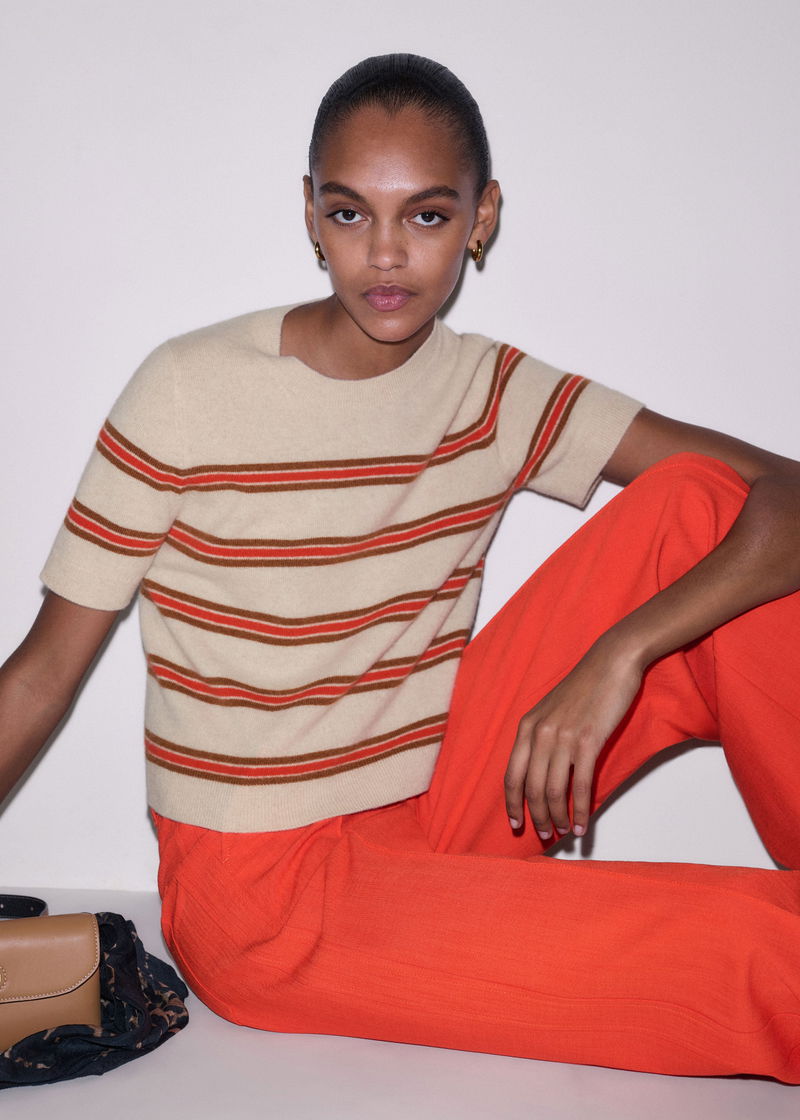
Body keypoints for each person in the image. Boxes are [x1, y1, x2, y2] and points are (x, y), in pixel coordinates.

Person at [2, 53, 800, 1081]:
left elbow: (783, 495)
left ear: (481, 217)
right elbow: (42, 674)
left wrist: (621, 654)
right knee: (760, 952)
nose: (385, 255)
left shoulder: (488, 389)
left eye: (425, 215)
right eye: (349, 214)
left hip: (451, 804)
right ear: (309, 214)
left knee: (701, 507)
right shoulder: (188, 391)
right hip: (269, 896)